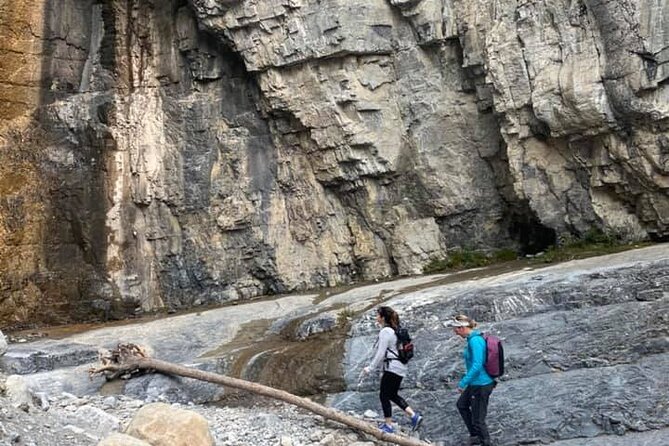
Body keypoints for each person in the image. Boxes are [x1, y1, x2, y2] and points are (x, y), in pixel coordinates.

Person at [361, 306, 423, 434]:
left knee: (384, 395)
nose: (376, 317)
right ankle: (414, 416)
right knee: (392, 394)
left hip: (392, 368)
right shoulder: (395, 330)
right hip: (400, 367)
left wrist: (370, 368)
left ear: (383, 317)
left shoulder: (386, 332)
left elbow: (380, 353)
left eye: (378, 315)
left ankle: (388, 426)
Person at [445, 314, 495, 446]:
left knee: (479, 420)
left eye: (455, 328)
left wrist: (463, 382)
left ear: (462, 328)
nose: (454, 332)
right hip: (475, 382)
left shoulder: (475, 341)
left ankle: (485, 442)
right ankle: (475, 436)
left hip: (481, 384)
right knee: (462, 405)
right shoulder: (471, 339)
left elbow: (477, 365)